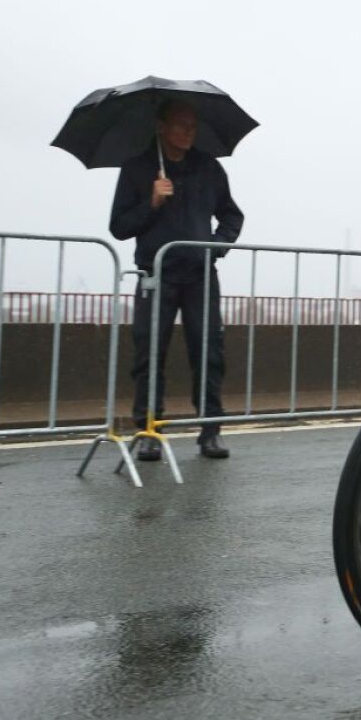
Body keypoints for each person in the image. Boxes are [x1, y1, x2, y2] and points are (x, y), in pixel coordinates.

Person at [109, 100, 244, 460]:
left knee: (209, 353)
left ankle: (211, 431)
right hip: (155, 275)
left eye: (192, 125)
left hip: (200, 275)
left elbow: (232, 217)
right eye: (181, 124)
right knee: (149, 354)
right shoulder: (137, 168)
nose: (188, 131)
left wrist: (214, 248)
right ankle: (149, 431)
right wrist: (151, 202)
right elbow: (118, 226)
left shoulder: (208, 168)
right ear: (161, 127)